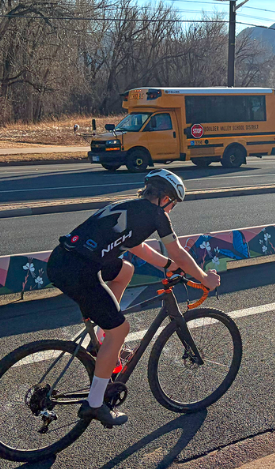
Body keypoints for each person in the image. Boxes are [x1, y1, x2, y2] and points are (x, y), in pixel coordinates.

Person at [46, 169, 221, 428]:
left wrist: (168, 265)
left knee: (125, 269)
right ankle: (95, 404)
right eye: (172, 204)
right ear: (164, 198)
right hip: (79, 271)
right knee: (121, 329)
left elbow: (138, 246)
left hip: (62, 260)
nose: (171, 210)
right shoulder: (156, 214)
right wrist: (205, 278)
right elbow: (181, 253)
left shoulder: (129, 207)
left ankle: (104, 340)